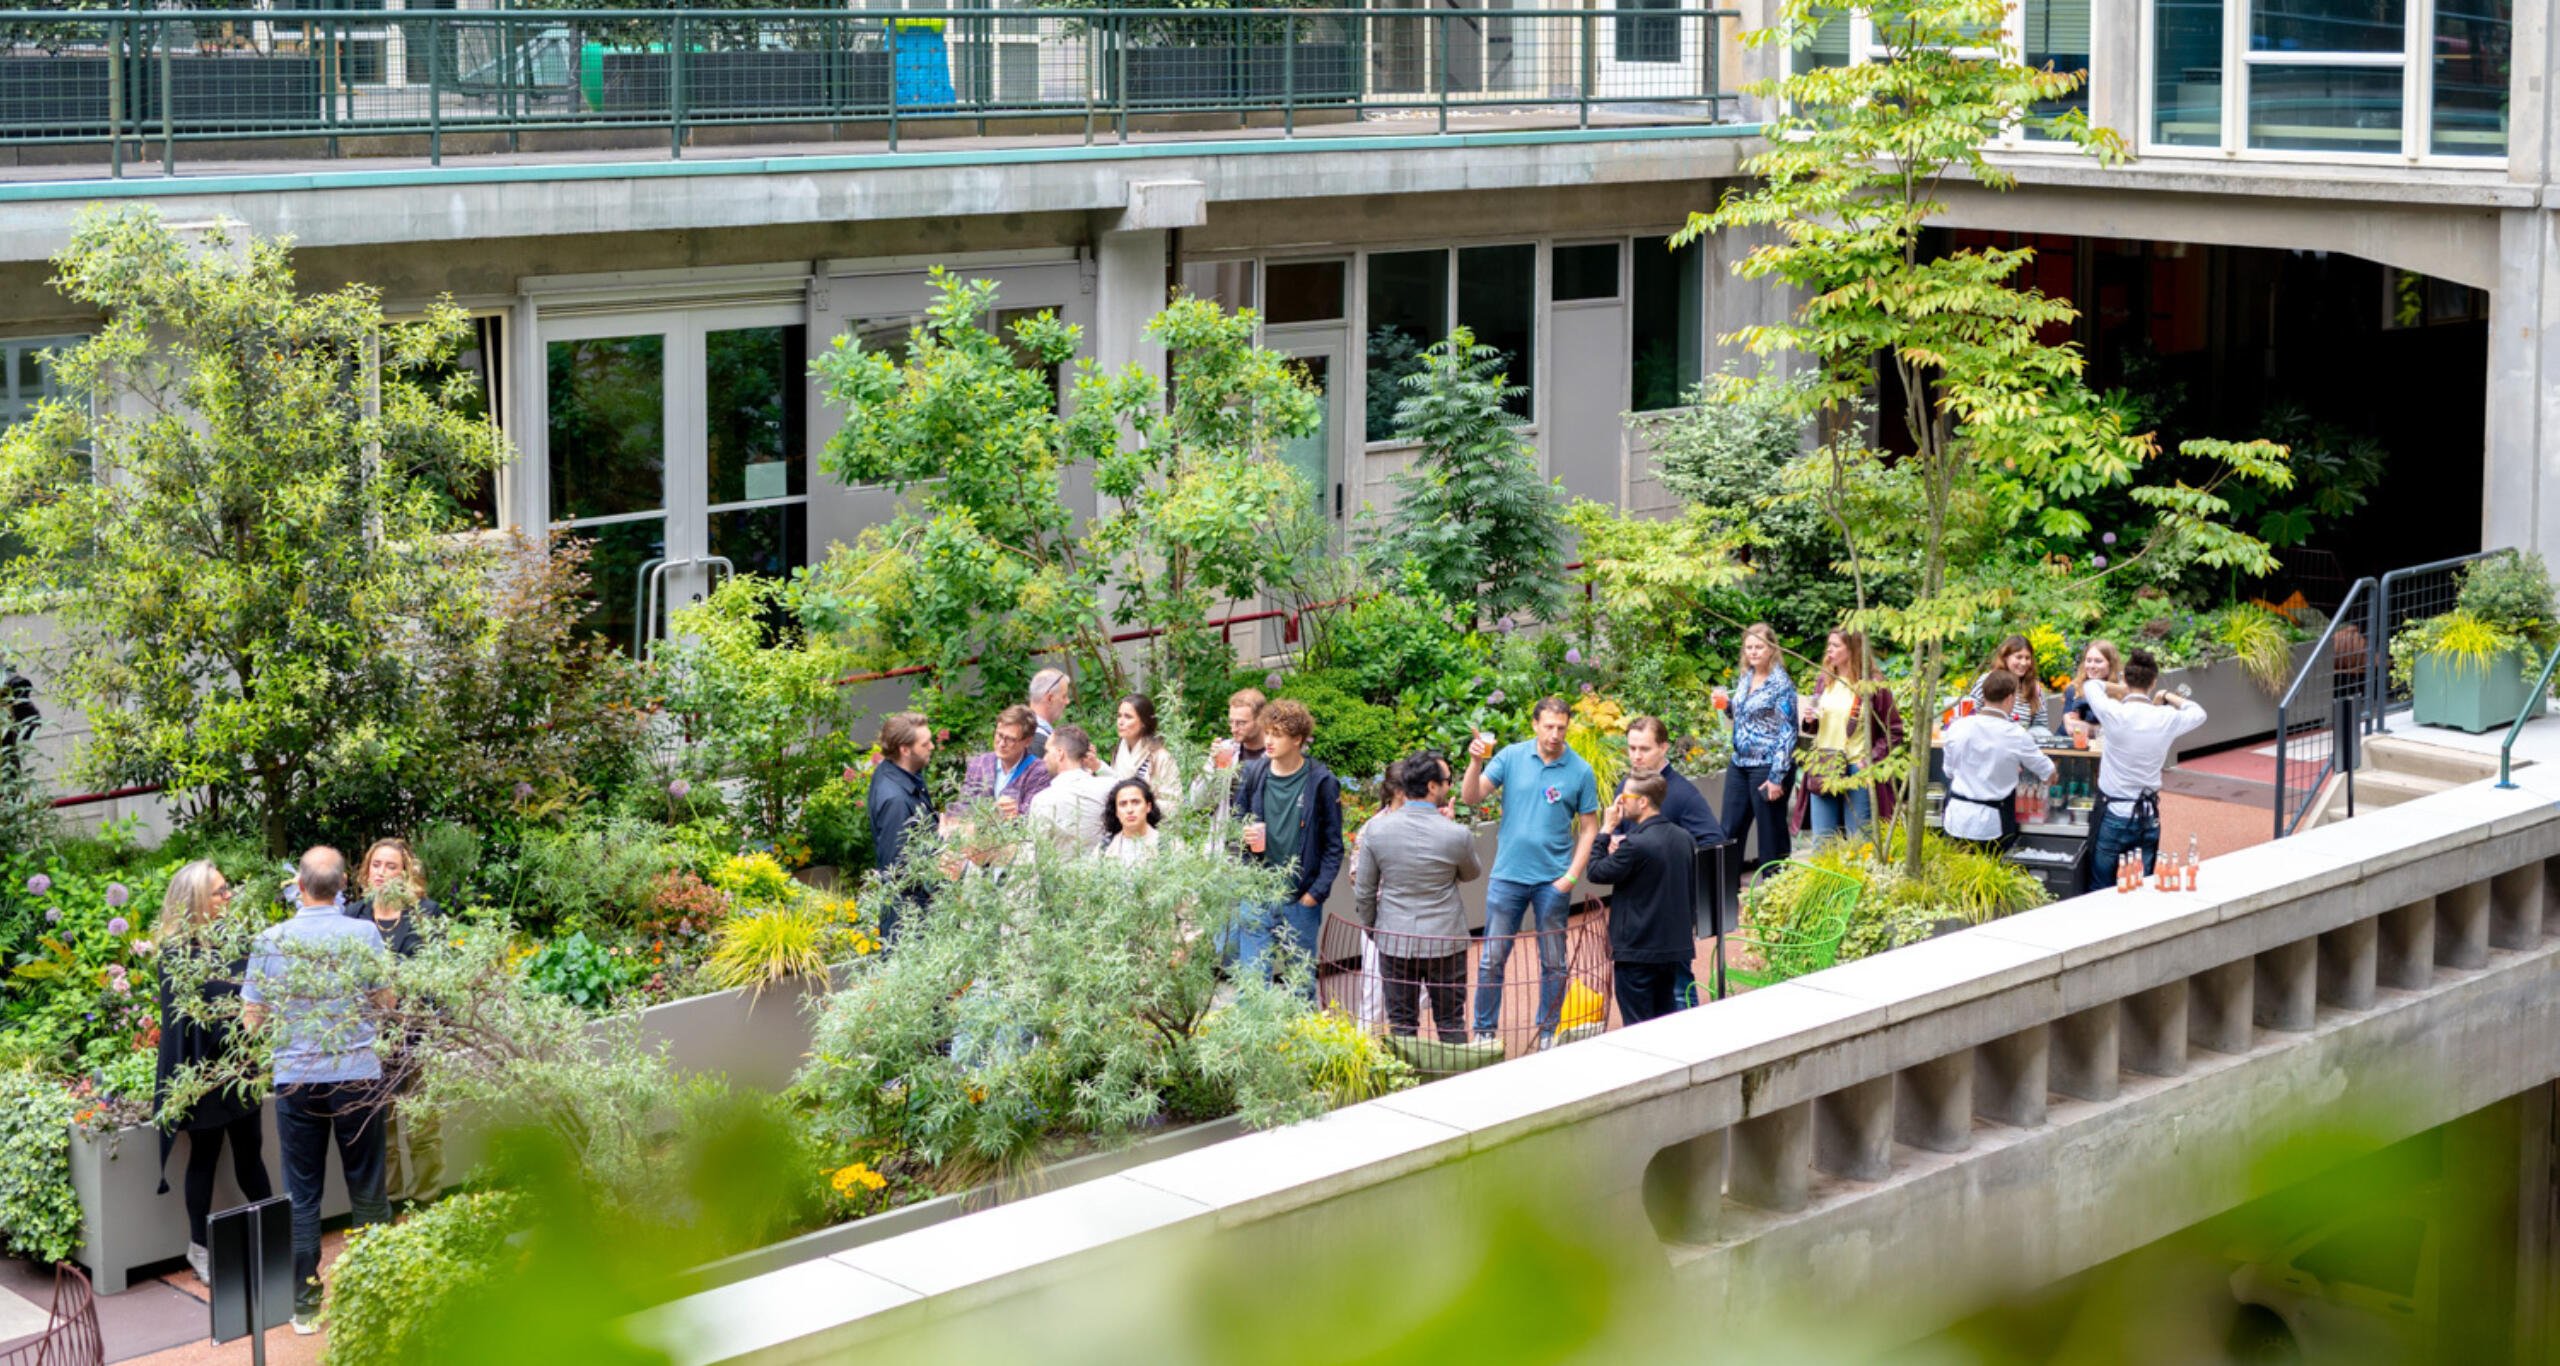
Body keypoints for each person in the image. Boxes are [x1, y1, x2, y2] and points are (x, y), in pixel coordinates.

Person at [241, 847, 392, 1334]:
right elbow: (386, 1000)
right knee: (367, 1184)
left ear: (299, 888)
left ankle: (305, 1305)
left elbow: (251, 1019)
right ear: (344, 884)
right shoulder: (364, 932)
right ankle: (377, 1294)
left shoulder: (271, 938)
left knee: (302, 1194)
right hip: (357, 1073)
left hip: (297, 1078)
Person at [153, 860, 271, 1285]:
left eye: (227, 889)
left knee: (250, 1153)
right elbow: (187, 1022)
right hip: (201, 1070)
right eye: (220, 891)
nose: (228, 897)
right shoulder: (176, 952)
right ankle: (199, 1247)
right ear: (197, 900)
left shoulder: (234, 941)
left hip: (241, 1065)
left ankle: (276, 1233)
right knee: (204, 1156)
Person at [1462, 695, 1600, 1049]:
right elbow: (1472, 797)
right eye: (1549, 726)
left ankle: (1549, 1031)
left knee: (1554, 961)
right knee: (1492, 958)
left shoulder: (1580, 770)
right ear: (1535, 724)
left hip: (1552, 881)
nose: (1555, 734)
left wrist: (1570, 876)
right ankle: (1483, 1032)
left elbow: (1589, 828)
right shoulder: (1510, 757)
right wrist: (1476, 762)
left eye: (1562, 728)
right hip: (1508, 875)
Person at [1353, 751, 1482, 1043]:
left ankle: (1408, 1085)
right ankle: (1458, 1083)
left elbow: (1365, 890)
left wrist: (1375, 927)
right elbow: (1471, 872)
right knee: (1450, 1020)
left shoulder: (1376, 829)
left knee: (1401, 1023)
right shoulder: (1456, 834)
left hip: (1394, 937)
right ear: (1432, 786)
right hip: (1445, 939)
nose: (1449, 787)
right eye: (1447, 781)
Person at [1606, 715, 1725, 1009]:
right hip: (1636, 913)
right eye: (1631, 748)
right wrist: (1614, 841)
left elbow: (1714, 842)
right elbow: (1620, 832)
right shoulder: (1628, 785)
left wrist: (1665, 852)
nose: (1636, 756)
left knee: (1679, 989)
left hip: (1670, 913)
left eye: (1644, 749)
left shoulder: (1683, 793)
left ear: (1663, 748)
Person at [1225, 699, 1344, 991]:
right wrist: (1243, 836)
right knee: (1252, 982)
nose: (1268, 740)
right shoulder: (1255, 773)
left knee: (1300, 985)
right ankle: (1254, 1038)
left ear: (1297, 740)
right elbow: (1235, 825)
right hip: (1257, 894)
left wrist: (1314, 894)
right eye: (1267, 732)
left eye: (1277, 734)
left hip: (1299, 898)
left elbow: (1333, 846)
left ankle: (1301, 1036)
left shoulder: (1321, 781)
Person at [2080, 648, 2209, 892]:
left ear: (2126, 680)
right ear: (2153, 682)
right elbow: (2198, 713)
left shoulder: (2114, 712)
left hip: (2113, 812)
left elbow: (2091, 686)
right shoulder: (2165, 717)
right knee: (2141, 887)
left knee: (2100, 888)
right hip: (2147, 816)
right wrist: (2168, 695)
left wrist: (2120, 688)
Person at [1587, 773, 1698, 1027]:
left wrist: (1605, 831)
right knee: (1663, 1022)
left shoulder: (1635, 846)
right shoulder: (1684, 838)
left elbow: (1595, 872)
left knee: (1637, 1028)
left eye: (1624, 797)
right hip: (1671, 950)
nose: (1619, 803)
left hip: (1637, 952)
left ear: (1643, 802)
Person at [1794, 629, 1904, 843]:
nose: (1829, 650)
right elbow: (1813, 729)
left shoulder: (1873, 684)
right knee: (1823, 842)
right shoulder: (1825, 680)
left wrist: (1871, 759)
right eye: (1829, 644)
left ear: (1853, 649)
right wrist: (1809, 721)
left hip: (1857, 769)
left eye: (1835, 645)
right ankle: (1826, 878)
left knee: (1859, 842)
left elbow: (1894, 730)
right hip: (1824, 765)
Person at [1940, 670, 2054, 851]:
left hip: (1956, 817)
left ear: (1984, 695)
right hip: (1992, 823)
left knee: (1952, 876)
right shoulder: (2016, 734)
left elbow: (1948, 771)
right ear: (2010, 699)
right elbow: (2048, 773)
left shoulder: (1957, 727)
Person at [1718, 622, 1799, 870]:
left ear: (1772, 648)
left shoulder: (1781, 684)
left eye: (1759, 647)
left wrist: (1777, 777)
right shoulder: (1746, 677)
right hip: (1740, 763)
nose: (1753, 652)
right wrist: (1727, 706)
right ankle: (1725, 894)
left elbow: (1788, 732)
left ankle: (1772, 895)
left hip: (1767, 766)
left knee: (1770, 836)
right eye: (1749, 647)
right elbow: (1747, 715)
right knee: (1728, 831)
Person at [866, 712, 937, 937]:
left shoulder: (898, 772)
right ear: (905, 750)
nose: (932, 747)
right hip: (908, 921)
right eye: (925, 744)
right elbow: (898, 869)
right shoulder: (896, 800)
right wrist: (942, 839)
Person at [1028, 724, 1115, 853]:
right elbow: (1134, 787)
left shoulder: (1043, 800)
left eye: (1047, 752)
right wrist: (1099, 767)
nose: (1044, 758)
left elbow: (1034, 852)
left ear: (1059, 754)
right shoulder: (1109, 787)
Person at [346, 838, 435, 958]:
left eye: (391, 867)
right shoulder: (354, 913)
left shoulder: (426, 911)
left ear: (405, 873)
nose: (381, 872)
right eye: (376, 865)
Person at [961, 704, 1052, 816]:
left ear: (1027, 741)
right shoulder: (978, 764)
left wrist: (1016, 812)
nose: (1002, 743)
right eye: (999, 735)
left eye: (1010, 739)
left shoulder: (1039, 772)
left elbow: (1033, 815)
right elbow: (963, 807)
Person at [1110, 693, 1178, 801]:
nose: (1121, 722)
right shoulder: (1118, 751)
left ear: (1143, 722)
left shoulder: (1160, 756)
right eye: (1119, 716)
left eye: (1128, 717)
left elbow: (1172, 800)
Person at [1965, 634, 2044, 725]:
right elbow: (1970, 714)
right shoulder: (1987, 680)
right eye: (2018, 657)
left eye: (2027, 658)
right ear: (2006, 657)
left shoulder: (2034, 687)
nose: (2023, 663)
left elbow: (2040, 725)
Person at [2060, 639, 2123, 738]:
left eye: (2098, 661)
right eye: (2088, 660)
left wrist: (2089, 728)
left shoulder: (2120, 692)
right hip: (2070, 745)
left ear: (2110, 664)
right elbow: (2072, 728)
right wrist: (2098, 729)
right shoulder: (2074, 689)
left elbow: (2121, 729)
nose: (2092, 666)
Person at [1101, 777, 1164, 865]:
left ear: (1148, 807)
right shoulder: (1104, 848)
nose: (1130, 810)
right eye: (1123, 804)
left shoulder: (1167, 845)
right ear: (1116, 811)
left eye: (1136, 802)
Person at [1027, 667, 1073, 744]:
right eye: (1064, 696)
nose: (1067, 701)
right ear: (1050, 698)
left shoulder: (1020, 730)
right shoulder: (1037, 740)